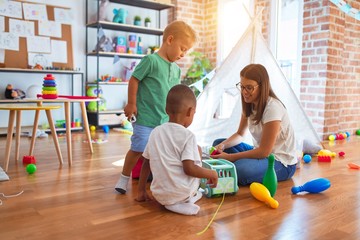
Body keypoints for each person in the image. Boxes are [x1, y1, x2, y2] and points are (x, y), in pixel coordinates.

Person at [115, 21, 197, 194]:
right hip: (146, 117)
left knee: (162, 151)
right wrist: (131, 103)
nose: (183, 54)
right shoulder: (151, 61)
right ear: (170, 40)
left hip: (165, 120)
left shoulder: (176, 70)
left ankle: (160, 179)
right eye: (182, 48)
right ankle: (123, 177)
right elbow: (134, 79)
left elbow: (175, 95)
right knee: (138, 148)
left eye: (186, 51)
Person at [135, 84, 218, 215]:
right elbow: (189, 169)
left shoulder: (156, 132)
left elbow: (146, 163)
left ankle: (174, 202)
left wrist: (141, 191)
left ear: (166, 109)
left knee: (197, 149)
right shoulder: (188, 136)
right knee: (198, 151)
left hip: (159, 194)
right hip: (181, 192)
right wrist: (211, 173)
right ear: (190, 112)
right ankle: (186, 199)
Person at [211, 64, 297, 186]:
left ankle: (232, 167)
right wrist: (223, 146)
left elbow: (264, 152)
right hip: (260, 153)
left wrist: (231, 157)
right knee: (218, 143)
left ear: (262, 87)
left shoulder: (273, 107)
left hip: (280, 162)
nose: (244, 92)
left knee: (241, 169)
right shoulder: (249, 104)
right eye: (242, 86)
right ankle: (231, 165)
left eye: (249, 88)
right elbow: (240, 134)